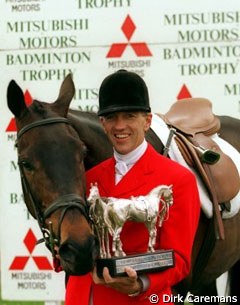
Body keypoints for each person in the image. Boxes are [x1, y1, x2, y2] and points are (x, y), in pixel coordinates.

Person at [65, 69, 200, 305]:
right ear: (102, 123)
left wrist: (141, 284)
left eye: (129, 116)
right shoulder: (88, 178)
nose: (120, 126)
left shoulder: (179, 179)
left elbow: (179, 259)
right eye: (111, 117)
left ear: (147, 121)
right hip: (82, 297)